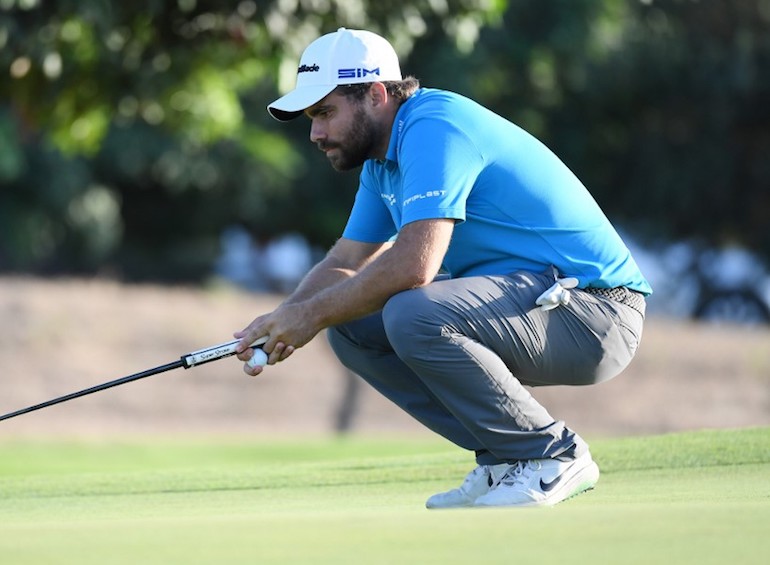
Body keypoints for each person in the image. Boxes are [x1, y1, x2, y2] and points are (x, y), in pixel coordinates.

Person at [235, 28, 651, 508]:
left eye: (325, 112)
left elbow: (415, 265)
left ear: (375, 94)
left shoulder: (434, 125)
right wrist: (280, 321)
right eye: (312, 118)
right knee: (350, 327)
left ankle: (551, 454)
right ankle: (503, 457)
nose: (316, 133)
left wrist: (308, 316)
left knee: (411, 311)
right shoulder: (381, 161)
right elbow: (345, 260)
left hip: (598, 313)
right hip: (535, 303)